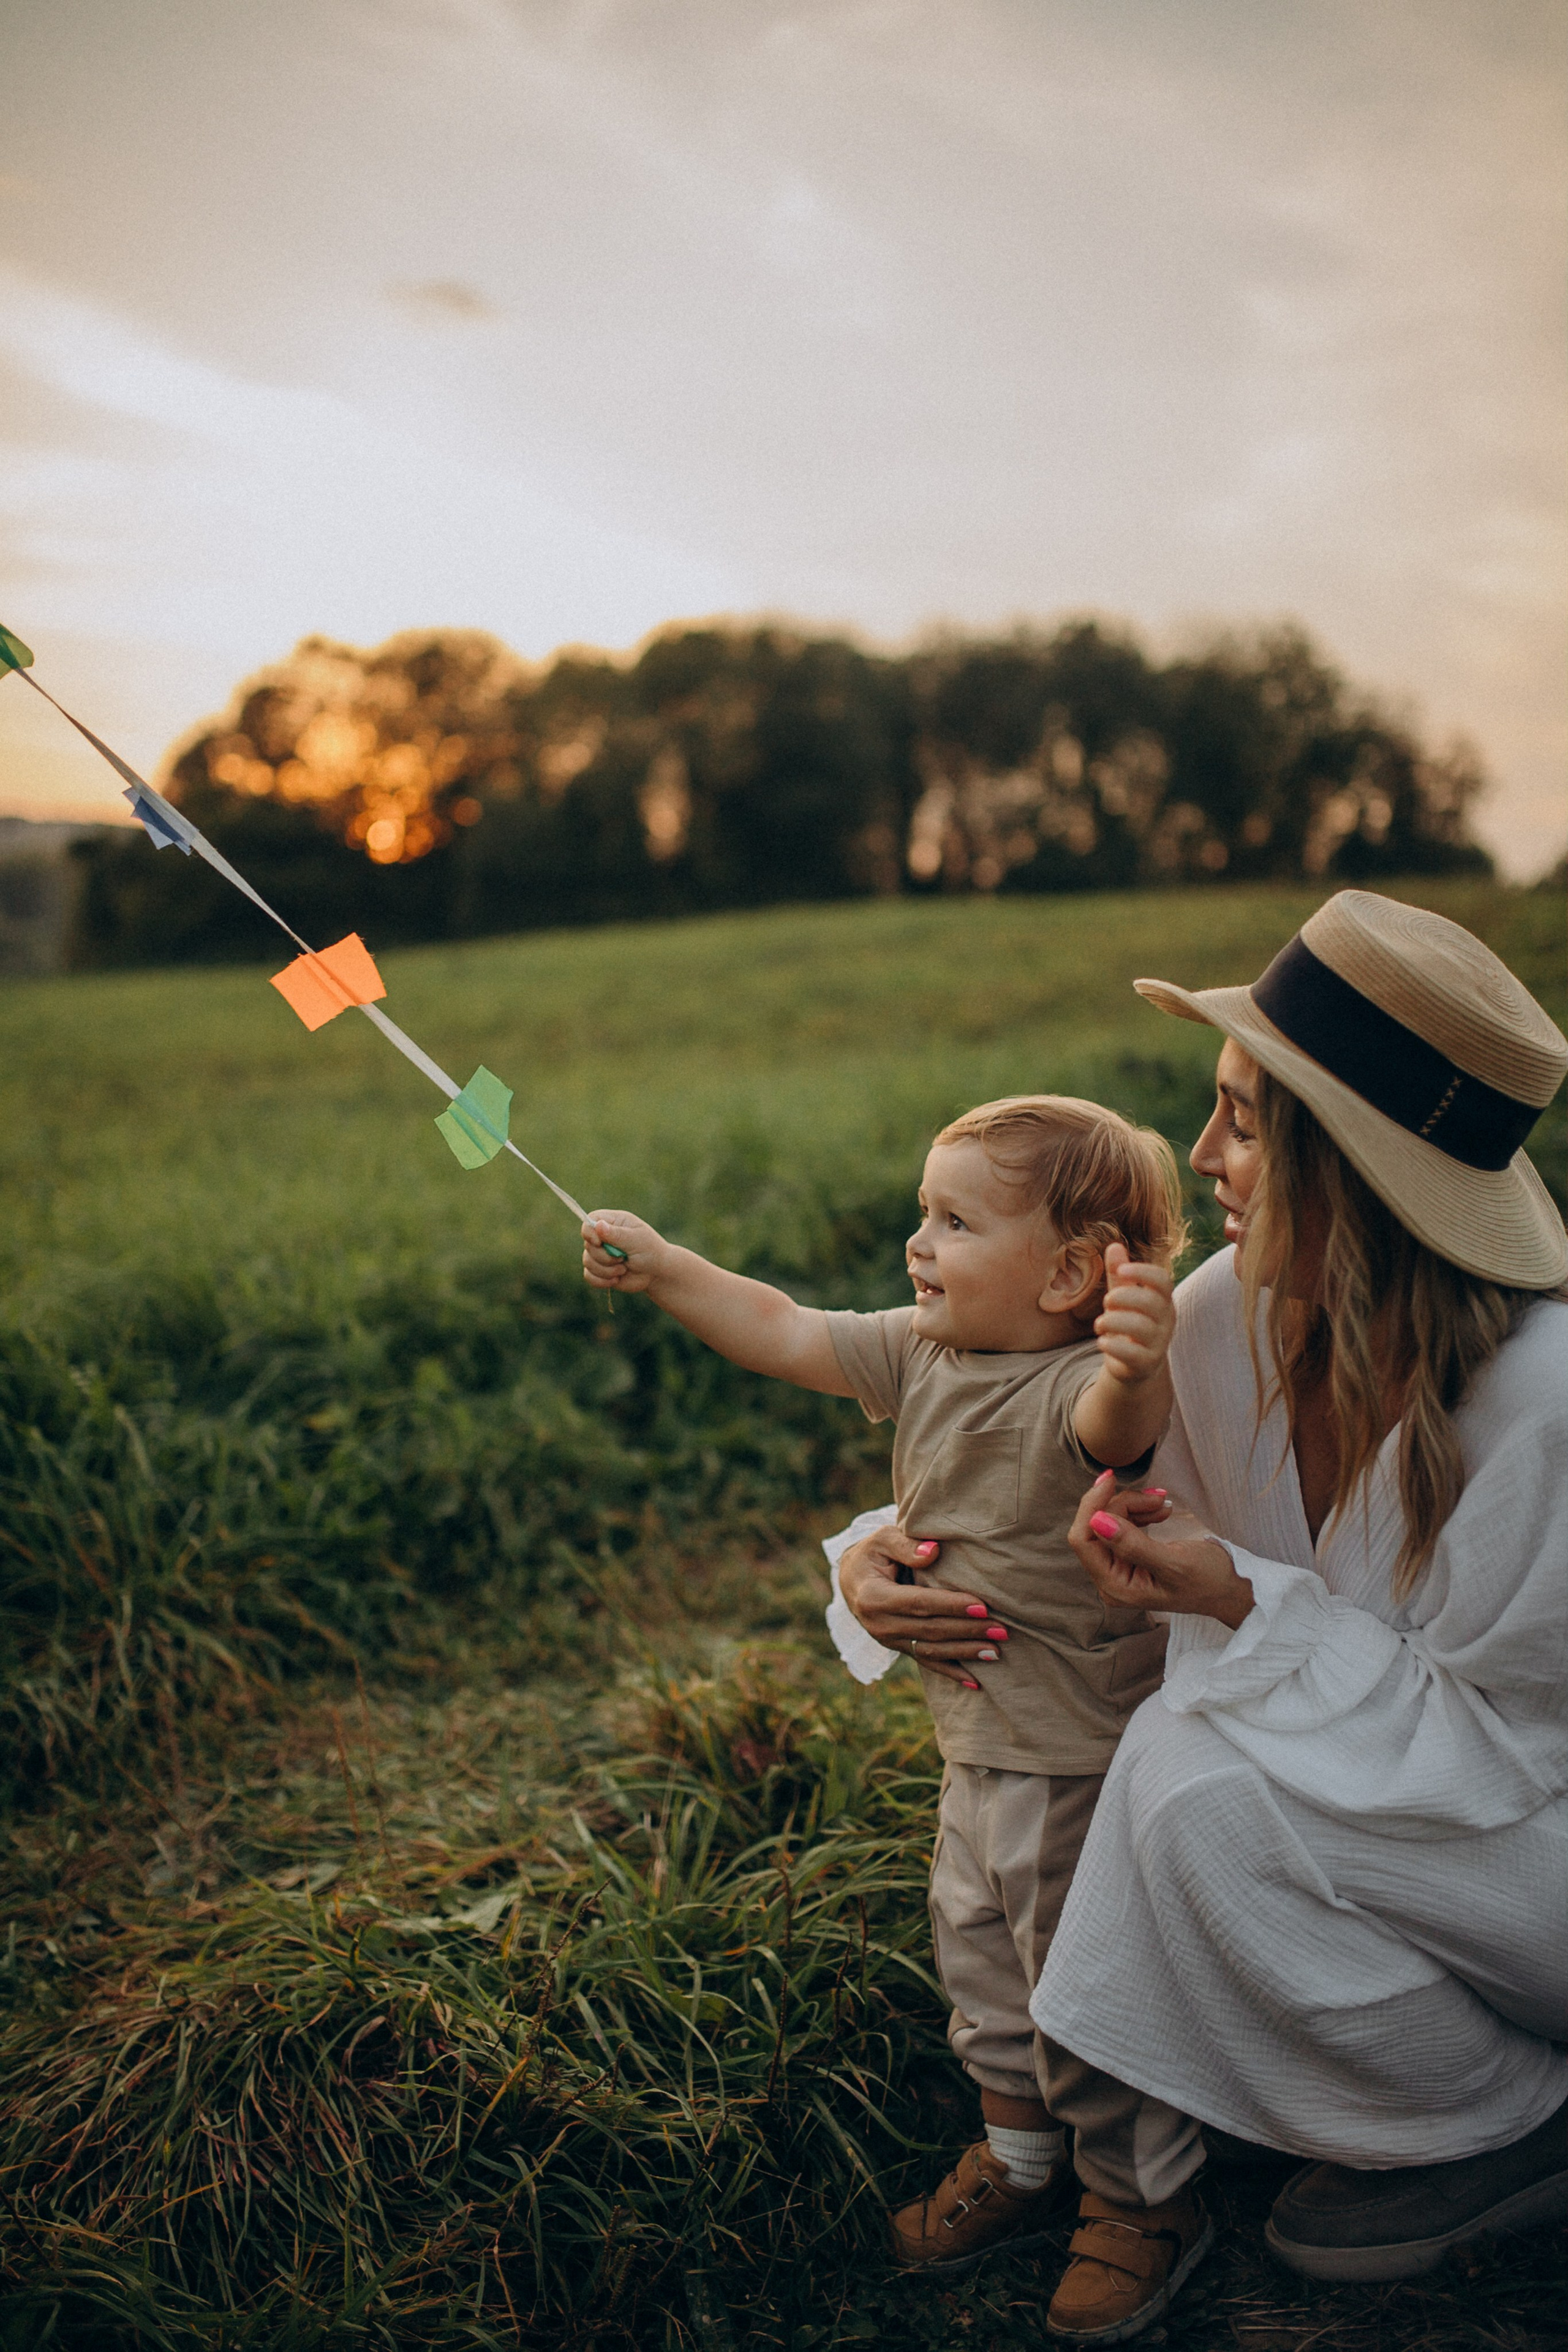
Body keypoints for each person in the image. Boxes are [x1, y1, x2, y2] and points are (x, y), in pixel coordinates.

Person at [837, 889, 1568, 2342]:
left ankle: (1500, 2119)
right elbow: (1027, 1468)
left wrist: (1239, 1596)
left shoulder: (1540, 1407)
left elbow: (1505, 1769)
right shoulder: (1223, 1318)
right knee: (1181, 1761)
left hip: (1529, 1870)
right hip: (1384, 1836)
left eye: (1242, 1120)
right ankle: (1318, 2085)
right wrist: (872, 1563)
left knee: (1185, 1769)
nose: (1200, 1153)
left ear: (1344, 1160)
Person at [581, 1095, 1205, 2278]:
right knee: (980, 1963)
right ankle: (1021, 2158)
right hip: (976, 1748)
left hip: (1077, 1761)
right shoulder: (921, 1351)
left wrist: (1138, 1361)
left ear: (1069, 1274)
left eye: (957, 1223)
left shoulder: (1076, 1382)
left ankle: (1141, 2200)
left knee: (1087, 1986)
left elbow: (1120, 1429)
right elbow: (783, 1329)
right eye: (926, 1212)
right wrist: (666, 1270)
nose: (919, 1243)